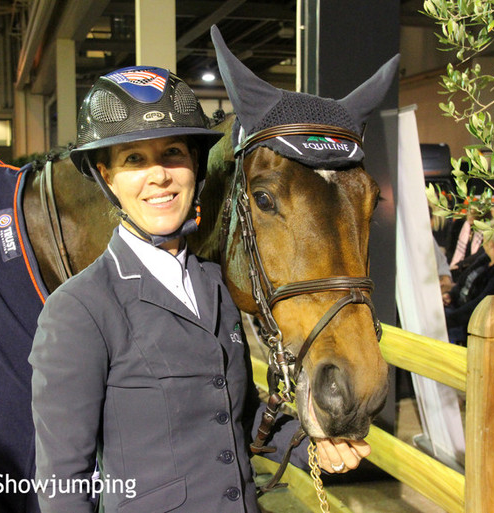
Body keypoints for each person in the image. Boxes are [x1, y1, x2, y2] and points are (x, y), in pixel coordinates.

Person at [29, 66, 370, 513]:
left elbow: (237, 418)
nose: (159, 176)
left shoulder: (217, 286)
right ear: (107, 178)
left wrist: (310, 441)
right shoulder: (78, 309)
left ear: (195, 166)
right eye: (134, 159)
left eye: (172, 153)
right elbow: (62, 482)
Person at [443, 225, 494, 345]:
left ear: (491, 243)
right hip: (461, 313)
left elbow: (481, 305)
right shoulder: (486, 260)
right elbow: (464, 281)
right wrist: (451, 295)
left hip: (478, 326)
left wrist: (450, 320)